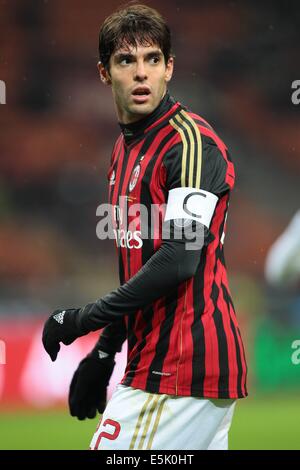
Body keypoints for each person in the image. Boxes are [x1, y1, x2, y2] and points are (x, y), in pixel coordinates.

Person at [42, 3, 248, 450]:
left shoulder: (190, 145)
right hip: (159, 361)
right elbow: (142, 264)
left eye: (153, 59)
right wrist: (106, 349)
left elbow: (178, 259)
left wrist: (81, 321)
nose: (141, 74)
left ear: (170, 68)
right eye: (126, 61)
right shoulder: (123, 149)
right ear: (104, 72)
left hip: (183, 365)